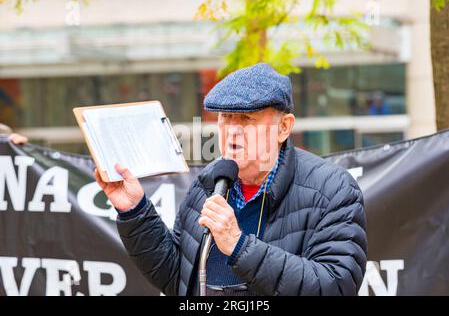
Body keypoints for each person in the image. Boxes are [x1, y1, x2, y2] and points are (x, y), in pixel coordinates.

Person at [94, 63, 367, 296]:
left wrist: (238, 245)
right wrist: (135, 210)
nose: (232, 132)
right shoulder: (208, 184)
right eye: (226, 118)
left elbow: (336, 284)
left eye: (247, 119)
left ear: (284, 127)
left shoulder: (332, 188)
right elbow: (178, 277)